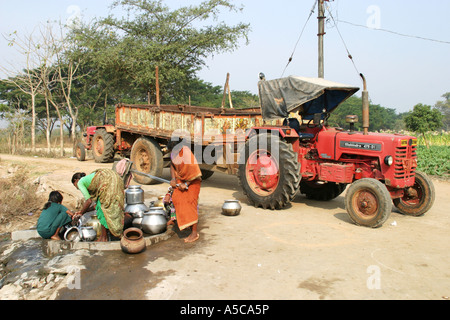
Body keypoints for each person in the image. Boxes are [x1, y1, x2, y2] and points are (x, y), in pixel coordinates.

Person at [71, 169, 125, 242]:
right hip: (114, 179)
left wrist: (81, 213)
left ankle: (104, 238)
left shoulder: (80, 182)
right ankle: (104, 236)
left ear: (75, 180)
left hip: (109, 181)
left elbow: (89, 201)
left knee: (104, 210)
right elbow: (96, 205)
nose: (77, 188)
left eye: (75, 185)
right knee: (103, 208)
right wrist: (83, 210)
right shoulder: (93, 183)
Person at [168, 139, 202, 243]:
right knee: (175, 197)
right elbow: (172, 165)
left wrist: (186, 184)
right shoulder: (173, 153)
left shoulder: (186, 154)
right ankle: (177, 220)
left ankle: (194, 233)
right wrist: (174, 179)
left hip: (193, 181)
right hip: (181, 180)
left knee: (190, 202)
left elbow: (195, 173)